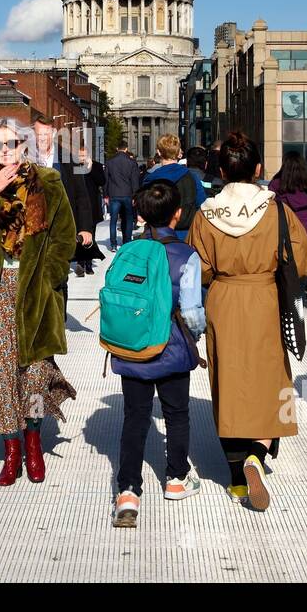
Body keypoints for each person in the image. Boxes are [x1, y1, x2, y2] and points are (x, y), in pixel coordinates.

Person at [187, 131, 307, 510]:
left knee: (228, 382)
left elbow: (199, 269)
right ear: (258, 169)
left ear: (222, 171)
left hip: (224, 300)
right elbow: (303, 260)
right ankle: (258, 455)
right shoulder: (277, 210)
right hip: (266, 299)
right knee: (269, 379)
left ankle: (236, 478)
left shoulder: (206, 214)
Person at [0, 118, 77, 486]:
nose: (6, 150)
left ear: (25, 145)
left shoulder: (49, 185)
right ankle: (11, 449)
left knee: (34, 376)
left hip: (34, 292)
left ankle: (33, 442)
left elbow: (64, 238)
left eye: (12, 143)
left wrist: (49, 280)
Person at [111, 180, 206, 527]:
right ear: (178, 214)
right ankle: (176, 479)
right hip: (172, 346)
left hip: (132, 347)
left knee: (135, 417)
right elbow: (193, 311)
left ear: (139, 214)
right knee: (177, 414)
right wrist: (197, 334)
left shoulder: (127, 252)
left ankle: (128, 492)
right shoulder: (187, 256)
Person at [31, 115, 95, 280]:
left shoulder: (68, 159)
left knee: (59, 279)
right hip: (33, 229)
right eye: (39, 135)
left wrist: (85, 227)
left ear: (53, 134)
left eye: (46, 134)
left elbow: (81, 195)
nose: (43, 139)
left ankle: (59, 305)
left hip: (61, 229)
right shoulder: (26, 158)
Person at [145, 135, 208, 234]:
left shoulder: (150, 179)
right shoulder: (191, 176)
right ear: (179, 153)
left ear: (159, 152)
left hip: (157, 234)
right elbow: (202, 204)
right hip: (186, 232)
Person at [73, 142, 106, 276]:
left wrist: (90, 167)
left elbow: (102, 181)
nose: (81, 158)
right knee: (80, 235)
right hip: (79, 206)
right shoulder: (74, 167)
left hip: (92, 204)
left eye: (84, 155)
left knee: (91, 235)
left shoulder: (96, 166)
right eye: (79, 155)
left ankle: (88, 263)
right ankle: (80, 263)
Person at [104, 138, 140, 252]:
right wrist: (135, 196)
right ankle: (127, 242)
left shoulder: (109, 162)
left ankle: (113, 244)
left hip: (114, 194)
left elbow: (106, 181)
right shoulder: (132, 162)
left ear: (116, 149)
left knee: (113, 220)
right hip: (127, 194)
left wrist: (105, 195)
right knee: (128, 219)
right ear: (126, 149)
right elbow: (135, 181)